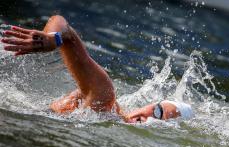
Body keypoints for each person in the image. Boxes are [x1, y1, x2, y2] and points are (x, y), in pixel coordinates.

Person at [1, 15, 193, 123]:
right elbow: (63, 26)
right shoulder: (105, 97)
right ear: (150, 104)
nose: (152, 118)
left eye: (162, 122)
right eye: (158, 111)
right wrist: (53, 38)